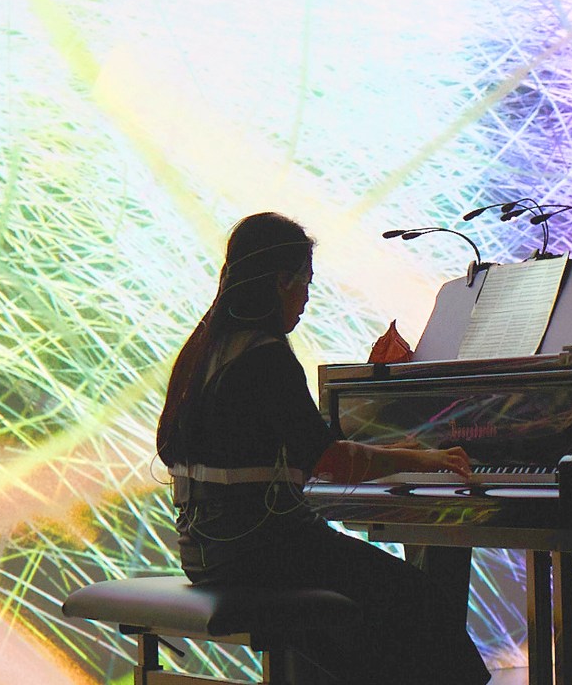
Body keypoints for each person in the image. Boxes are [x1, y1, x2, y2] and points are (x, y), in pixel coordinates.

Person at [156, 212, 490, 685]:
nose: (307, 299)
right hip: (262, 554)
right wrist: (422, 459)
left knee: (383, 611)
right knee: (420, 599)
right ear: (281, 281)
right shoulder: (267, 355)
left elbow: (249, 443)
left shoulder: (205, 348)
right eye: (306, 282)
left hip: (207, 552)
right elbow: (330, 461)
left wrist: (389, 447)